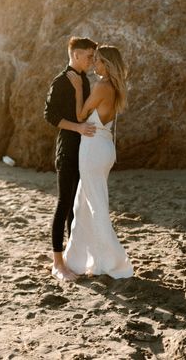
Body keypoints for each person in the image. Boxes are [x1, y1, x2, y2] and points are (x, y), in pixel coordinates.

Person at [63, 45, 133, 279]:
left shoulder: (103, 85)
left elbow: (81, 115)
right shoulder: (114, 86)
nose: (95, 64)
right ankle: (78, 260)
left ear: (108, 64)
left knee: (95, 206)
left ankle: (114, 264)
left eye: (100, 61)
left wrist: (76, 90)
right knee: (82, 205)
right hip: (103, 148)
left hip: (93, 150)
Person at [44, 36, 98, 281]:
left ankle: (72, 258)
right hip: (67, 151)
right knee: (64, 204)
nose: (91, 61)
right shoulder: (61, 81)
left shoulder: (84, 80)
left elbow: (84, 112)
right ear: (75, 55)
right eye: (88, 56)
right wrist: (77, 128)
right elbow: (50, 116)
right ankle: (57, 264)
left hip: (83, 151)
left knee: (76, 208)